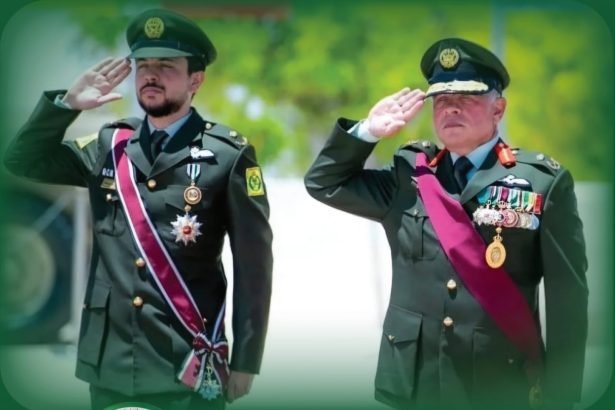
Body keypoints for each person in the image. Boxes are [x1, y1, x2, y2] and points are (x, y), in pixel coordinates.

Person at [4, 8, 273, 410]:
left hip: (186, 364)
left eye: (166, 66)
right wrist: (67, 105)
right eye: (144, 65)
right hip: (111, 363)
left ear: (195, 79)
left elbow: (254, 267)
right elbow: (21, 161)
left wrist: (247, 361)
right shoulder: (109, 145)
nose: (151, 75)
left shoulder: (228, 156)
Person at [304, 38, 588, 410]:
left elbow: (568, 300)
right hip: (414, 383)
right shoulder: (409, 174)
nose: (451, 107)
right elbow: (324, 183)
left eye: (466, 98)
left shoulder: (540, 182)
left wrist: (560, 397)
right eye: (440, 99)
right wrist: (368, 131)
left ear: (498, 108)